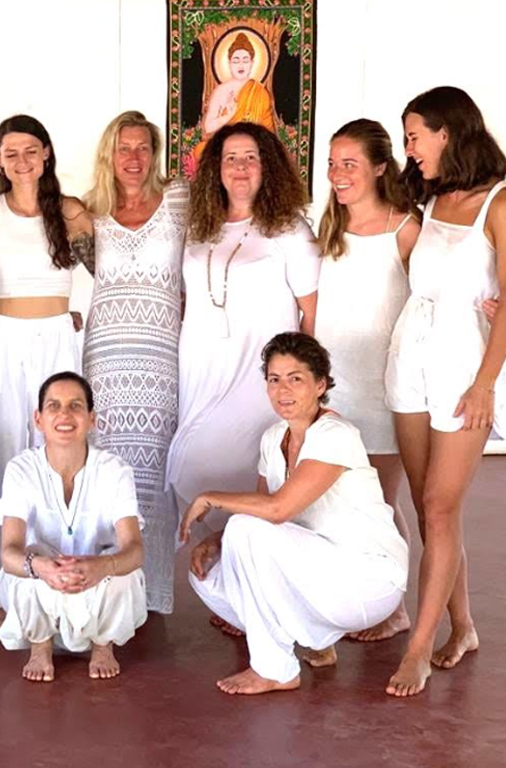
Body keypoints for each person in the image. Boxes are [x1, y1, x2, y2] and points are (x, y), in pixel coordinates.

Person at [181, 332, 408, 695]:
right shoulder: (273, 439)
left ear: (320, 385)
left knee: (244, 530)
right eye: (274, 379)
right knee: (207, 575)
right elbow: (259, 516)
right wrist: (215, 541)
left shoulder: (336, 434)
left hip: (369, 580)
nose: (283, 389)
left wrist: (210, 498)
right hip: (322, 574)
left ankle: (276, 669)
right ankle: (316, 640)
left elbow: (277, 510)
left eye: (295, 378)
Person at [385, 87, 506, 697]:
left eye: (414, 135)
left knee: (439, 505)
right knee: (431, 508)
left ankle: (419, 648)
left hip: (464, 370)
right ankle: (461, 626)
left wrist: (486, 383)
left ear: (447, 132)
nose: (409, 148)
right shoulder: (429, 199)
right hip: (411, 357)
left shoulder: (500, 205)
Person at [167, 122, 320, 539]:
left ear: (267, 167)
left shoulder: (290, 230)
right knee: (196, 463)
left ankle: (243, 577)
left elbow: (312, 315)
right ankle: (218, 571)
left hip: (258, 379)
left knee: (253, 470)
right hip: (202, 370)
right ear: (216, 168)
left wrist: (298, 382)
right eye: (230, 158)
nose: (240, 167)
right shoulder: (199, 227)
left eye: (251, 158)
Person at [315, 119, 421, 642]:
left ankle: (394, 606)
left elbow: (431, 304)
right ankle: (348, 596)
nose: (337, 174)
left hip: (380, 391)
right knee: (336, 501)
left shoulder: (405, 230)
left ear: (380, 167)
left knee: (379, 502)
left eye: (349, 163)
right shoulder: (329, 229)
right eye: (333, 163)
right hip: (333, 391)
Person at [82, 111, 187, 614]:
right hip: (105, 358)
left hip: (162, 356)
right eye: (124, 148)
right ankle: (106, 588)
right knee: (106, 468)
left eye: (144, 147)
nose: (134, 158)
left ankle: (152, 590)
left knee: (155, 471)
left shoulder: (180, 202)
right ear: (110, 154)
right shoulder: (88, 212)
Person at [0, 372, 147, 682]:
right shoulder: (22, 469)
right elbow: (8, 553)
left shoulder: (114, 470)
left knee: (123, 568)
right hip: (44, 584)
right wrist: (44, 567)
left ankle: (103, 645)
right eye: (54, 406)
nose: (64, 414)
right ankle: (39, 646)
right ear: (38, 419)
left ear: (91, 419)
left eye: (75, 406)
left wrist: (101, 565)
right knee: (28, 559)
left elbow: (134, 550)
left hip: (97, 585)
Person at [192, 32, 277, 161]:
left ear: (252, 62)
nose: (241, 65)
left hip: (252, 146)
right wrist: (229, 115)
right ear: (229, 62)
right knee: (200, 150)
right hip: (224, 145)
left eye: (245, 60)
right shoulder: (221, 90)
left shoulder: (260, 93)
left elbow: (268, 133)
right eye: (236, 60)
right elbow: (208, 127)